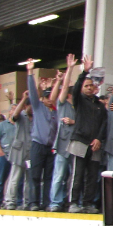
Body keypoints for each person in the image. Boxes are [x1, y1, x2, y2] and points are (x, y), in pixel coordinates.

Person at [67, 54, 108, 213]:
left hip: (95, 144)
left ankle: (87, 203)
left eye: (91, 85)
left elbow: (104, 123)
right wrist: (84, 72)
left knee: (92, 175)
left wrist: (99, 139)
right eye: (86, 86)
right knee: (77, 174)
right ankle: (73, 202)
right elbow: (76, 87)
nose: (89, 88)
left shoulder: (99, 105)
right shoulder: (79, 100)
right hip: (80, 141)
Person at [24, 61, 57, 211]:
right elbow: (32, 92)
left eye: (51, 97)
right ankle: (33, 202)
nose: (50, 99)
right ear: (43, 98)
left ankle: (46, 202)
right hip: (37, 145)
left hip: (50, 148)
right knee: (35, 175)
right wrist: (30, 73)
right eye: (47, 97)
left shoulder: (55, 112)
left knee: (49, 177)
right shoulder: (38, 108)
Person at [48, 65, 76, 210]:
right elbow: (64, 88)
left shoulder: (79, 108)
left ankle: (70, 201)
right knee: (59, 175)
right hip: (62, 145)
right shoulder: (63, 104)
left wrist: (73, 122)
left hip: (75, 146)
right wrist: (69, 70)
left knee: (73, 176)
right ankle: (55, 202)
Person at [2, 91, 33, 210]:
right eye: (30, 106)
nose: (32, 109)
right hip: (19, 151)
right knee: (15, 177)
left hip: (30, 151)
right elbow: (14, 115)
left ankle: (27, 202)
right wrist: (23, 98)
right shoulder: (21, 115)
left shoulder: (36, 117)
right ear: (26, 106)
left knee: (29, 179)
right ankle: (10, 201)